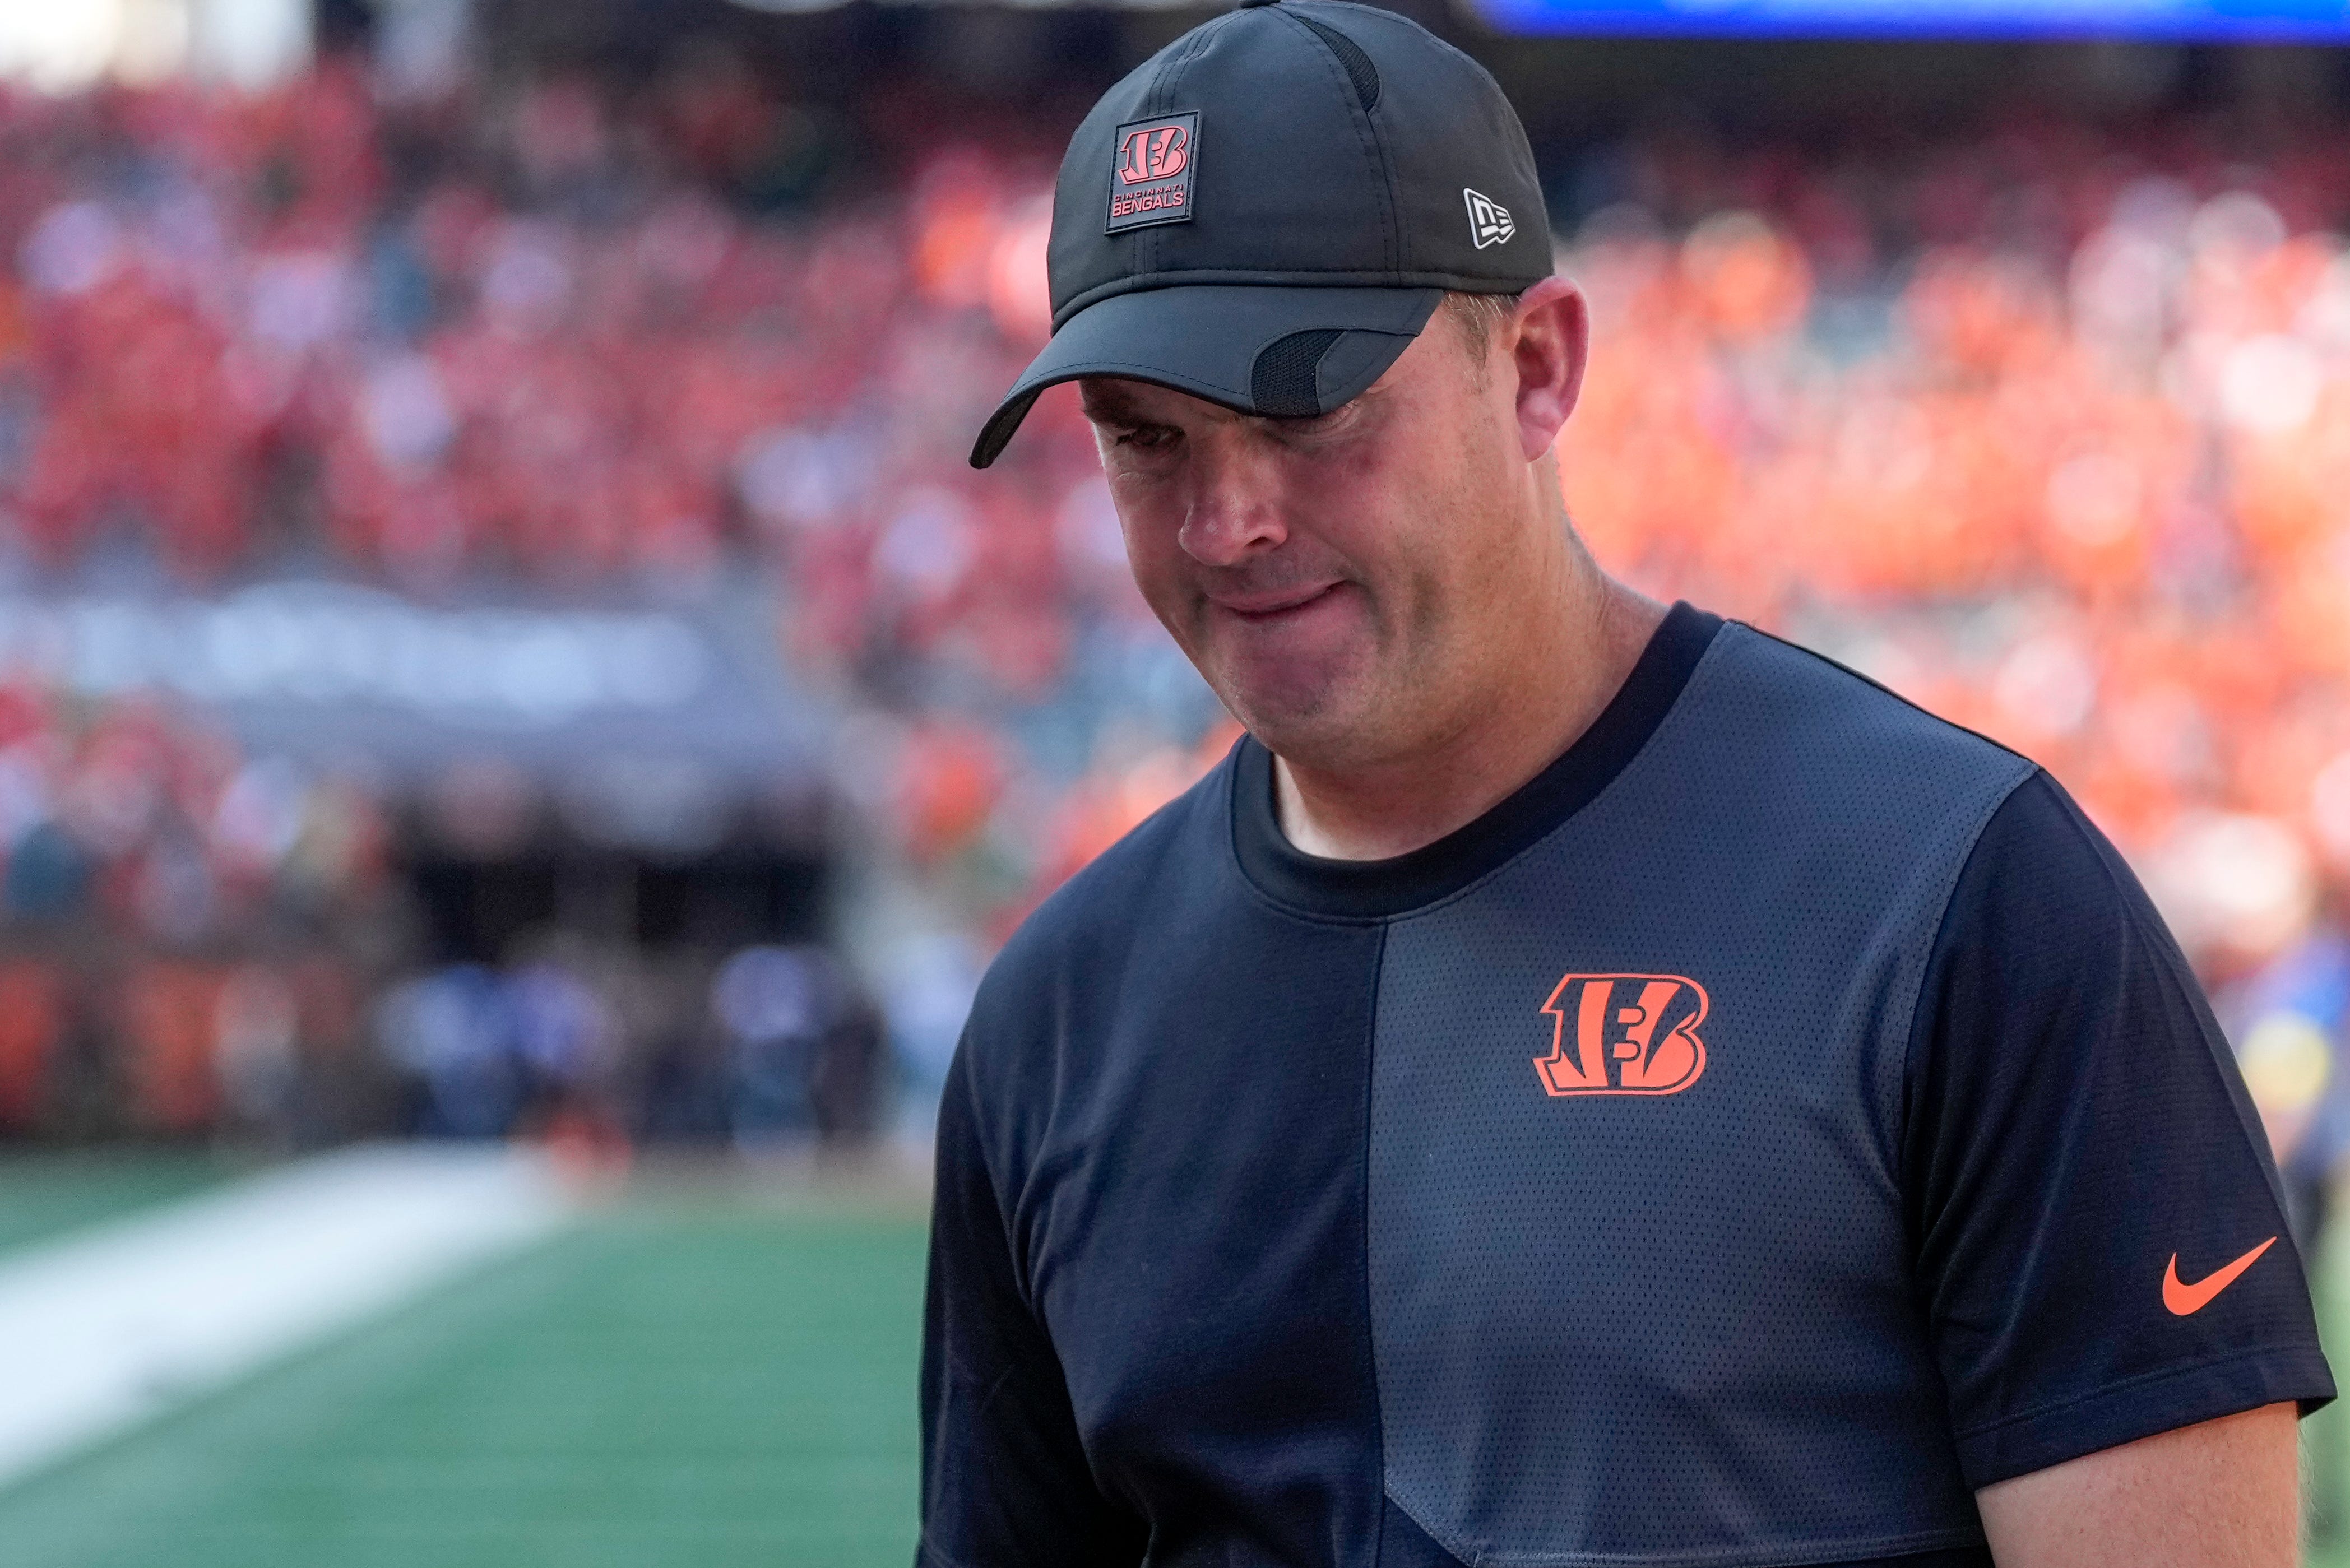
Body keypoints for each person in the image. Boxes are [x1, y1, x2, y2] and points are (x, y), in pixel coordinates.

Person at [921, 4, 2335, 1565]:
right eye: (1145, 440)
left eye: (1304, 408)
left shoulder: (1958, 899)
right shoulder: (1057, 1010)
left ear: (1535, 367)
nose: (1224, 519)